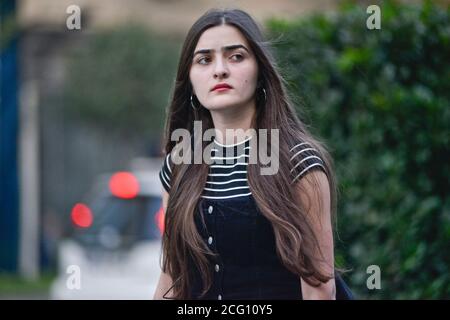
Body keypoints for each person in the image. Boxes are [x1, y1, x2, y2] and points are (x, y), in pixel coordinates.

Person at [153, 8, 350, 300]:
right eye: (205, 60)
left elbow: (319, 288)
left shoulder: (298, 162)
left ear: (260, 72)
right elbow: (172, 278)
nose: (220, 69)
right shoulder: (179, 166)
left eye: (236, 56)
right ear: (191, 80)